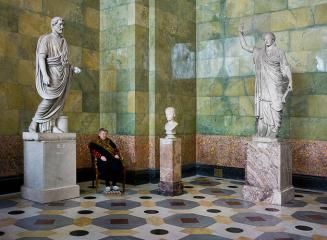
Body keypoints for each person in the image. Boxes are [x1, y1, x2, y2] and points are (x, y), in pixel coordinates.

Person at [239, 23, 292, 138]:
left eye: (269, 39)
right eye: (265, 39)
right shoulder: (259, 52)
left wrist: (291, 81)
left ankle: (275, 128)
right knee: (263, 104)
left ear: (273, 39)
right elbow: (245, 46)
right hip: (262, 84)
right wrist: (241, 33)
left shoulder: (279, 52)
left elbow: (286, 67)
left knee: (276, 104)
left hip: (275, 82)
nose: (266, 41)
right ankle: (263, 129)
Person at [29, 16, 81, 133]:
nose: (62, 27)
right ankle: (34, 122)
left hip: (63, 73)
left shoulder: (63, 41)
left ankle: (51, 126)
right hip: (52, 73)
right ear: (53, 25)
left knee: (59, 101)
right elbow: (41, 58)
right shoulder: (46, 39)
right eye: (60, 24)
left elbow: (64, 60)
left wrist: (72, 68)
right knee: (49, 100)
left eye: (63, 24)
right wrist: (45, 75)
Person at [89, 128, 124, 193]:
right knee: (105, 165)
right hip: (101, 159)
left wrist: (116, 154)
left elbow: (115, 149)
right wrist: (100, 156)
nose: (104, 135)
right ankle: (107, 185)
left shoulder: (109, 141)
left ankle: (114, 184)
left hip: (111, 158)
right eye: (103, 133)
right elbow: (93, 151)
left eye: (106, 134)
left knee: (117, 164)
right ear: (99, 134)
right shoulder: (94, 142)